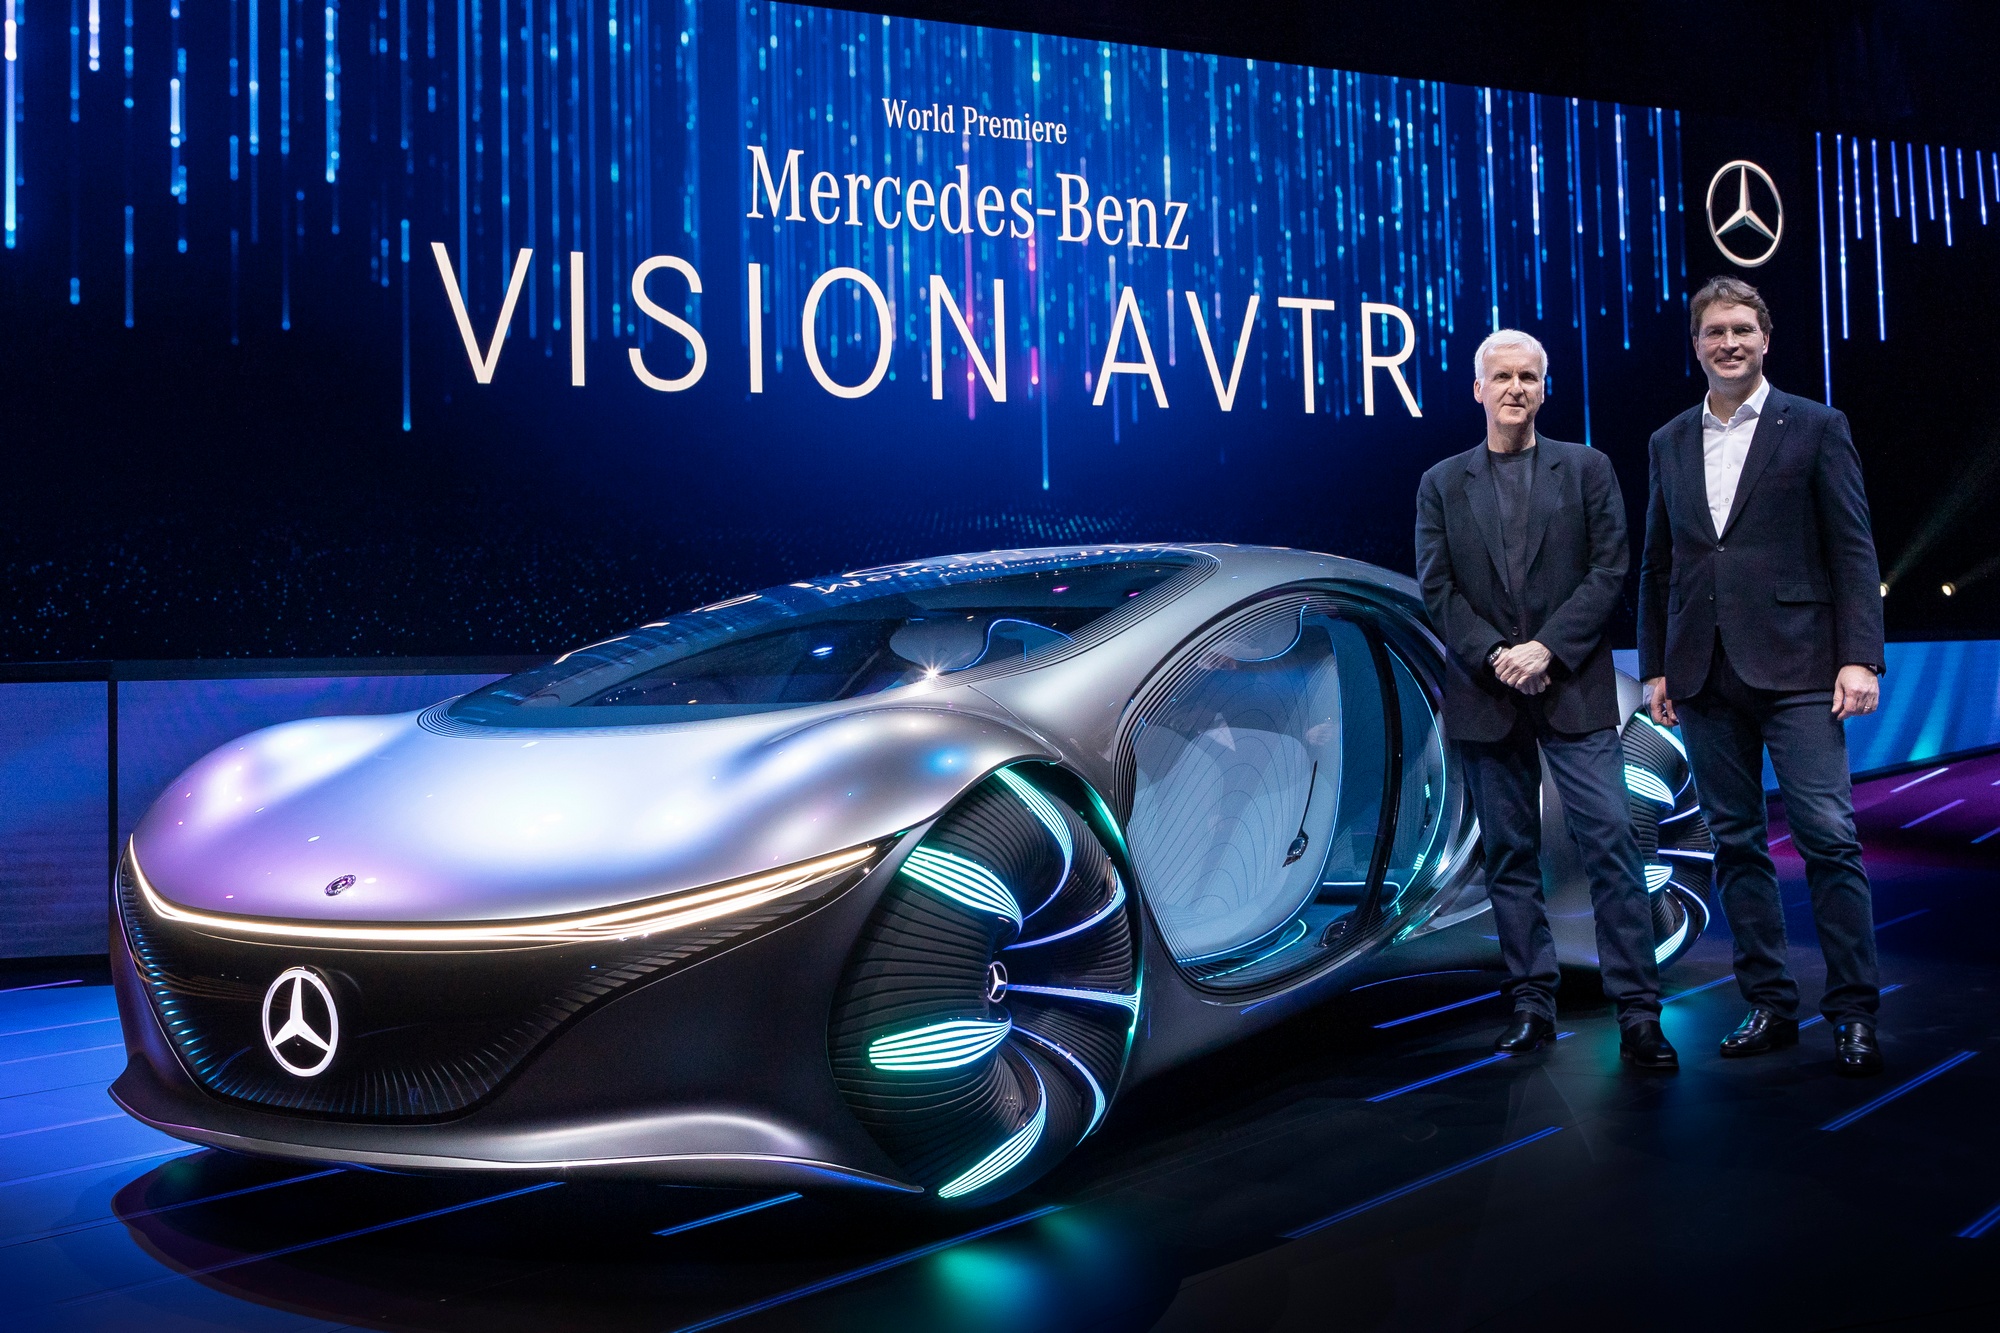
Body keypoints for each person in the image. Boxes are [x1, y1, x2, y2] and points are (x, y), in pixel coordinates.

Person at [1638, 277, 1887, 1076]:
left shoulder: (1816, 425)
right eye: (1714, 331)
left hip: (1803, 665)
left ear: (1766, 339)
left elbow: (1853, 548)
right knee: (1736, 844)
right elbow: (1660, 564)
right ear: (1696, 344)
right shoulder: (1668, 440)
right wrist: (1656, 666)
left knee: (1828, 837)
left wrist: (1860, 655)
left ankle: (1853, 1011)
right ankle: (1771, 1003)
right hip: (1703, 671)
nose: (1729, 343)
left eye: (1742, 329)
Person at [1415, 329, 1675, 1068]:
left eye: (1528, 377)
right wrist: (1497, 655)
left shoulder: (1587, 468)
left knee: (1613, 845)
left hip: (1573, 688)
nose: (1515, 388)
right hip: (1486, 692)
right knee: (1509, 856)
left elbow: (1609, 570)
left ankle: (1639, 1011)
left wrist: (1545, 650)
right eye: (1502, 377)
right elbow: (1437, 586)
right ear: (1478, 389)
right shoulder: (1441, 482)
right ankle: (1532, 1002)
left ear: (1544, 387)